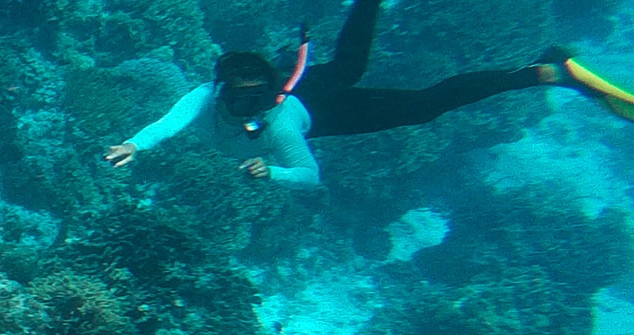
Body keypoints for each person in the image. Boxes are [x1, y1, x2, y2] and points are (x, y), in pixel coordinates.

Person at [103, 0, 634, 188]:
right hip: (304, 90)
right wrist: (133, 144)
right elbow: (167, 124)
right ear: (218, 92)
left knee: (423, 106)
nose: (255, 109)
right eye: (242, 102)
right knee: (352, 64)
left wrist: (276, 173)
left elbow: (310, 176)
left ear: (272, 91)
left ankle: (544, 72)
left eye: (262, 97)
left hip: (320, 110)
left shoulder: (280, 116)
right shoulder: (201, 99)